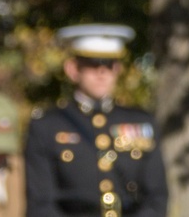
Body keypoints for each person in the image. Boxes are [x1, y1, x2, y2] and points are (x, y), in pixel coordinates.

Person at [24, 24, 168, 217]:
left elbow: (156, 196)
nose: (102, 72)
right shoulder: (47, 126)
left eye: (109, 65)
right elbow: (41, 203)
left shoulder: (142, 122)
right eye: (92, 64)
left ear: (117, 69)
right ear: (73, 69)